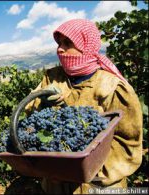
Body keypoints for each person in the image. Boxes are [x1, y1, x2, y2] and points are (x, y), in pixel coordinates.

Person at [25, 19, 143, 194]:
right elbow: (29, 121)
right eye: (59, 43)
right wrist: (41, 103)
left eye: (67, 43)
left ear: (85, 45)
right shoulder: (52, 77)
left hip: (97, 185)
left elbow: (127, 143)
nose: (59, 48)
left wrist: (84, 171)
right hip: (55, 183)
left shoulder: (111, 86)